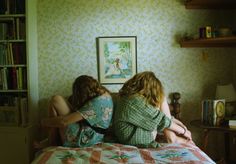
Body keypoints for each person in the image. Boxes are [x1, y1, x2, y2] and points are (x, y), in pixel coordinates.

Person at [113, 71, 193, 148]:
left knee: (161, 99)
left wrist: (173, 120)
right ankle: (172, 138)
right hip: (133, 140)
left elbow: (152, 115)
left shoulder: (130, 97)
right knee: (161, 100)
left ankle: (172, 138)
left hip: (132, 136)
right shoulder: (132, 101)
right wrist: (184, 131)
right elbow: (159, 119)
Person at [38, 75, 113, 148]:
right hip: (89, 130)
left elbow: (64, 122)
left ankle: (51, 142)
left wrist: (43, 122)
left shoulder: (98, 103)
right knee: (56, 99)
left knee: (56, 100)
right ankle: (51, 141)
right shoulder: (103, 94)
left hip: (86, 138)